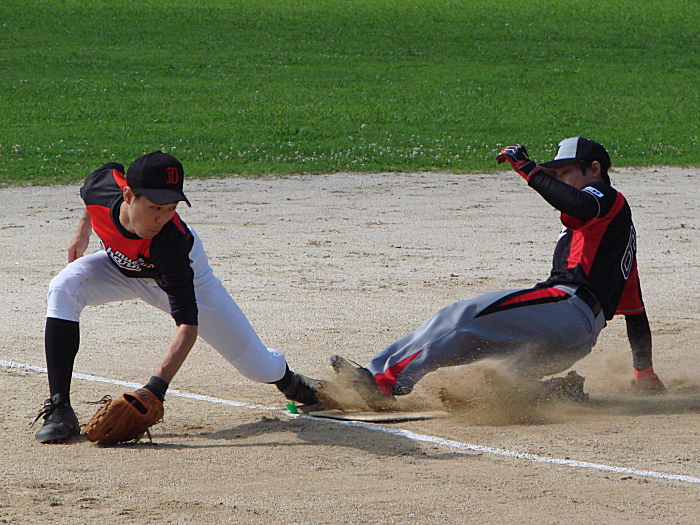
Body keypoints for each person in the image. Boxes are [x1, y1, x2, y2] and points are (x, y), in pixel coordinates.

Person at [328, 137, 665, 410]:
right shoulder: (616, 241)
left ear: (594, 169)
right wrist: (644, 374)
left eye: (566, 172)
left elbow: (578, 203)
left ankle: (378, 381)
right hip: (573, 342)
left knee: (460, 317)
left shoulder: (605, 196)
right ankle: (554, 394)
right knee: (480, 377)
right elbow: (636, 315)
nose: (560, 180)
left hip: (565, 311)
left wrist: (529, 170)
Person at [34, 151, 319, 443]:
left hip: (178, 280)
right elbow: (95, 186)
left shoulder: (170, 242)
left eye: (171, 208)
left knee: (258, 367)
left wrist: (156, 388)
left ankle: (297, 385)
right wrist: (82, 231)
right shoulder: (101, 188)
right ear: (128, 194)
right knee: (64, 286)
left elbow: (187, 325)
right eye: (155, 207)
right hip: (118, 268)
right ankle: (60, 408)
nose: (161, 218)